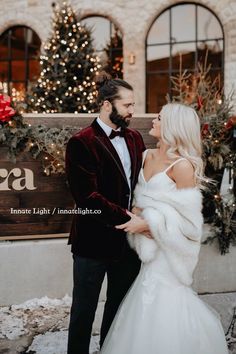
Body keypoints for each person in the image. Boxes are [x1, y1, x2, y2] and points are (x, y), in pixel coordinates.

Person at [100, 103, 229, 354]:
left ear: (172, 126)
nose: (153, 121)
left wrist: (149, 223)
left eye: (159, 118)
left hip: (168, 253)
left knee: (163, 301)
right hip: (145, 248)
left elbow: (190, 223)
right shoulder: (147, 155)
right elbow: (138, 197)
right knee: (143, 297)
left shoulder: (182, 167)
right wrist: (135, 213)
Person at [65, 72, 146, 354]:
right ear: (106, 104)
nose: (132, 111)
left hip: (127, 244)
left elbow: (140, 185)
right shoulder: (81, 142)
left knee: (119, 306)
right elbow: (87, 197)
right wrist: (129, 219)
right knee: (83, 310)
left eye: (133, 105)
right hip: (92, 242)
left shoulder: (135, 138)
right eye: (127, 105)